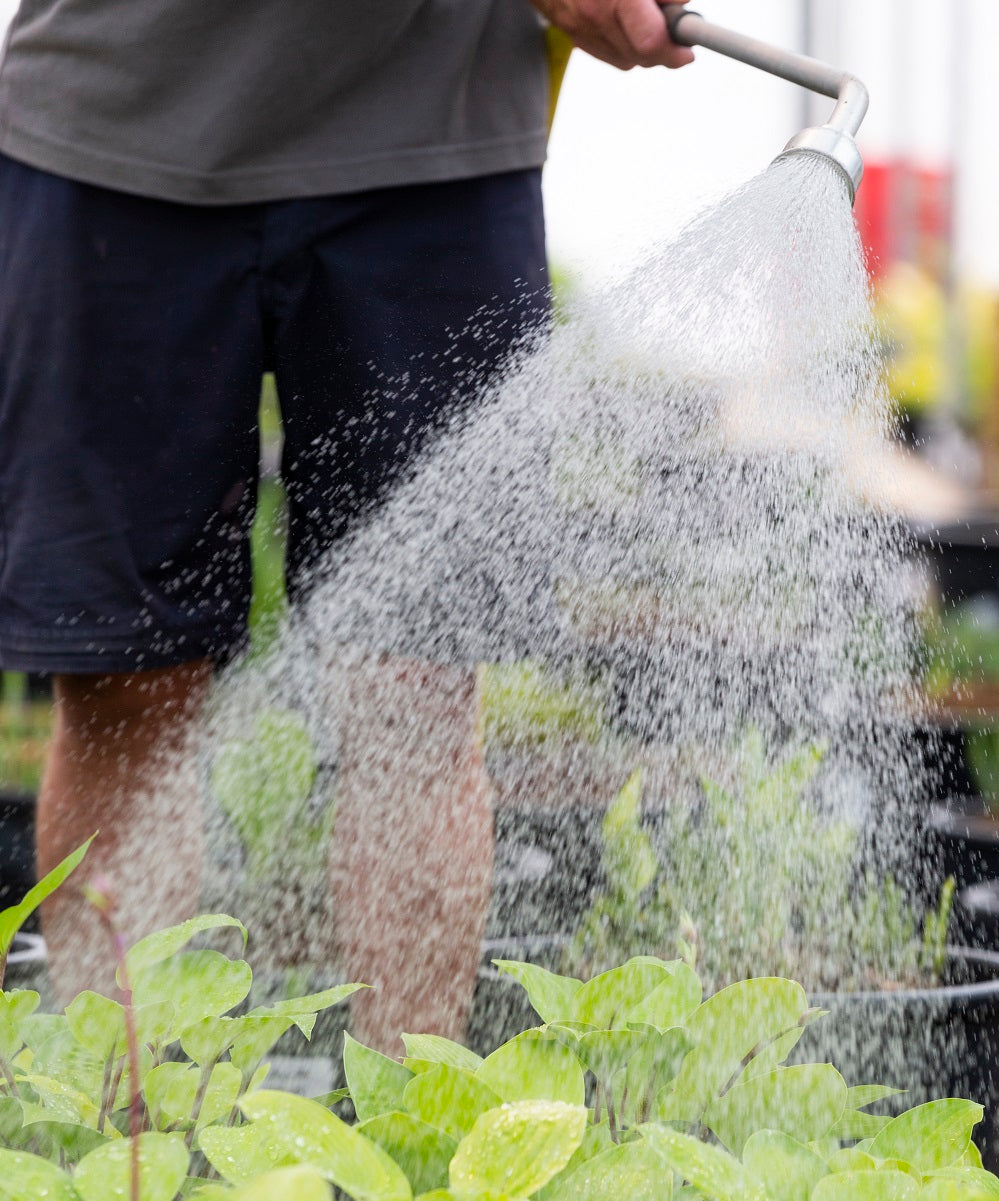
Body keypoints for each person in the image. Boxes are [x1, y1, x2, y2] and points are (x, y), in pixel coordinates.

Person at [0, 0, 692, 1051]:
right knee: (123, 683)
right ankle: (119, 1144)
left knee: (416, 691)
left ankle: (407, 1139)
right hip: (117, 136)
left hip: (437, 151)